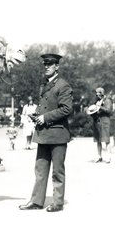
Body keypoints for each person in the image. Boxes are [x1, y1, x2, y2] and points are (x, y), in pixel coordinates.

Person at [19, 53, 73, 212]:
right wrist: (36, 115)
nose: (47, 67)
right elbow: (45, 106)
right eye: (45, 65)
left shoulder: (63, 85)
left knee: (57, 171)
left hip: (57, 135)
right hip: (43, 134)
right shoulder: (45, 85)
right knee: (40, 170)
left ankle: (57, 203)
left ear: (57, 66)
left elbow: (67, 109)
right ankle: (36, 201)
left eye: (50, 64)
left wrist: (45, 117)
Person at [88, 87, 113, 163]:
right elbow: (93, 110)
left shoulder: (107, 100)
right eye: (96, 94)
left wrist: (100, 107)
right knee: (98, 140)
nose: (97, 95)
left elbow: (109, 111)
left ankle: (108, 157)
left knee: (106, 140)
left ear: (102, 94)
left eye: (99, 94)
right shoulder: (97, 101)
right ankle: (99, 156)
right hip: (97, 122)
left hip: (105, 122)